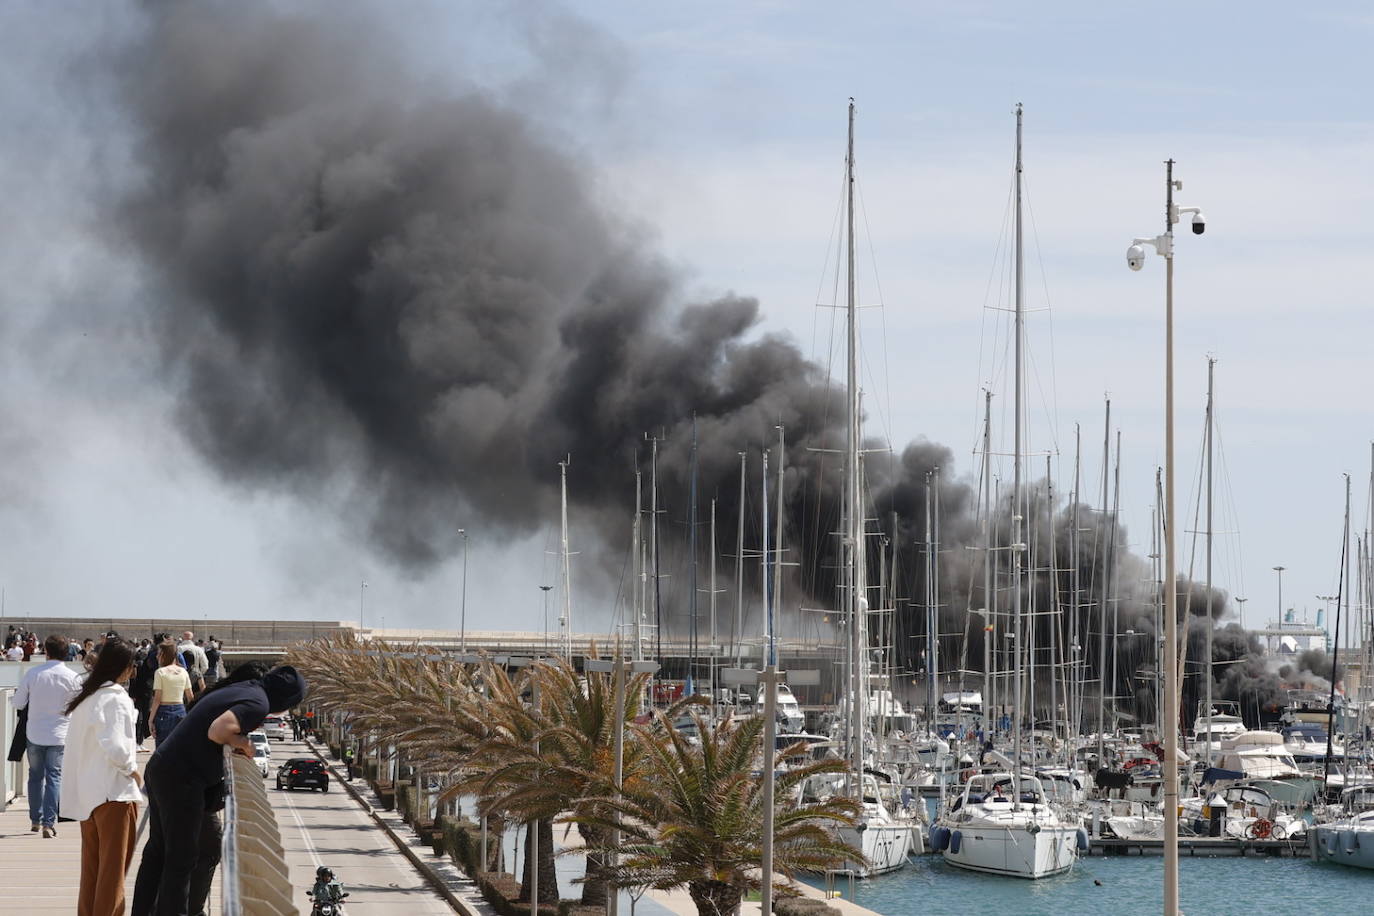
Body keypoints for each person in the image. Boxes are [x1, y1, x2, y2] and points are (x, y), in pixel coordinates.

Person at [132, 662, 306, 916]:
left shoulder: (246, 688)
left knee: (158, 852)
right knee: (181, 858)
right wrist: (244, 743)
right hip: (182, 778)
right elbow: (218, 730)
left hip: (163, 767)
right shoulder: (258, 703)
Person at [62, 638, 144, 916]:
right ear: (124, 667)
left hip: (89, 795)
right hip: (114, 793)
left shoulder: (89, 696)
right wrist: (133, 770)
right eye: (132, 666)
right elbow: (117, 746)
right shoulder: (115, 697)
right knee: (113, 875)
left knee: (93, 872)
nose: (133, 671)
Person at [14, 634, 80, 836]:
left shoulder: (33, 674)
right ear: (66, 652)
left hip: (34, 732)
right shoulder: (73, 677)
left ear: (46, 652)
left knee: (35, 776)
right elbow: (79, 706)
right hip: (60, 734)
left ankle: (35, 819)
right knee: (54, 777)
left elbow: (18, 703)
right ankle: (48, 823)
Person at [149, 642, 193, 748]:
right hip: (181, 710)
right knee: (178, 747)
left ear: (164, 655)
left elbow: (157, 698)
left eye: (159, 653)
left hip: (164, 712)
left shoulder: (160, 672)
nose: (157, 656)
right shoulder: (183, 672)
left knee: (162, 747)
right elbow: (190, 696)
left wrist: (150, 719)